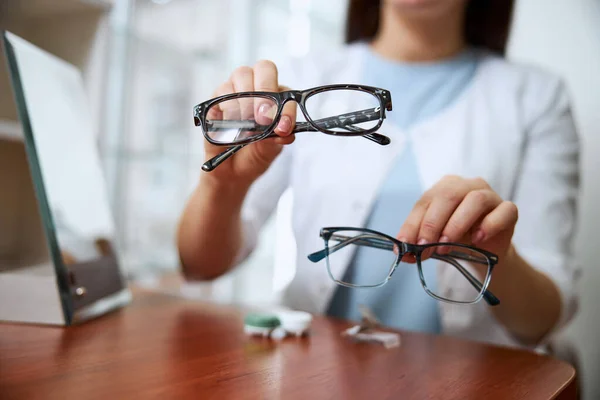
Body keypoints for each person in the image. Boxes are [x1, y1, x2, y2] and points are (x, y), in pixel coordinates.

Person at [177, 0, 581, 350]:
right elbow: (199, 266)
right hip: (310, 374)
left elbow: (541, 322)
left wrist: (496, 254)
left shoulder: (537, 98)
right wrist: (224, 186)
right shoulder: (299, 80)